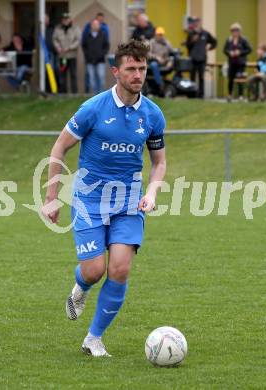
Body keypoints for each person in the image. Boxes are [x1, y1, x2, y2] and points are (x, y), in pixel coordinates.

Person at [42, 40, 166, 357]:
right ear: (116, 72)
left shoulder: (152, 115)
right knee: (95, 270)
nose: (138, 74)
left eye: (142, 68)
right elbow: (59, 148)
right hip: (89, 200)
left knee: (120, 269)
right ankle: (81, 286)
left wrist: (151, 193)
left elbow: (159, 162)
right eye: (131, 69)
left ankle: (93, 338)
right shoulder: (93, 109)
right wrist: (51, 197)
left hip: (128, 202)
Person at [186, 17, 217, 98]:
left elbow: (214, 42)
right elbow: (187, 45)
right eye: (194, 22)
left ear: (200, 23)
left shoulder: (205, 33)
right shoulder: (191, 33)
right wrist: (192, 41)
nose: (196, 23)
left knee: (201, 77)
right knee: (192, 77)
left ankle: (201, 95)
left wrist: (209, 47)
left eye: (197, 21)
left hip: (202, 59)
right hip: (193, 59)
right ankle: (192, 94)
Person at [82, 12, 110, 93]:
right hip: (90, 61)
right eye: (93, 24)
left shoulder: (103, 34)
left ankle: (101, 94)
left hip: (100, 60)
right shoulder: (87, 35)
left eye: (97, 24)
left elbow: (106, 46)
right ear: (91, 25)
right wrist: (87, 55)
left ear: (99, 26)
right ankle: (95, 96)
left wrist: (102, 54)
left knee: (101, 78)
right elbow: (84, 46)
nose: (95, 26)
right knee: (92, 79)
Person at [52, 13, 81, 93]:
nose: (65, 20)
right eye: (64, 19)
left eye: (67, 19)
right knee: (62, 75)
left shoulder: (75, 28)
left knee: (73, 75)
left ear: (70, 20)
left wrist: (70, 47)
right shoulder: (57, 29)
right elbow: (54, 39)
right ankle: (63, 93)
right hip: (62, 57)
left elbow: (78, 40)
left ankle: (75, 93)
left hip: (72, 56)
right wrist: (58, 47)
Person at [223, 23, 252, 102]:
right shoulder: (229, 40)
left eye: (236, 31)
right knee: (230, 79)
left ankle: (241, 95)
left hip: (240, 63)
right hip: (232, 62)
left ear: (239, 31)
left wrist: (240, 52)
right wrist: (230, 53)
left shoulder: (243, 40)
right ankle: (229, 95)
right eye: (233, 31)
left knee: (240, 78)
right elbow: (224, 50)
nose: (235, 32)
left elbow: (249, 49)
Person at [148, 27, 173, 93]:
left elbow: (171, 52)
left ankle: (172, 83)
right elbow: (148, 54)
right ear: (155, 35)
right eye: (159, 34)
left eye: (161, 35)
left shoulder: (166, 42)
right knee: (154, 65)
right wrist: (156, 57)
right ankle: (160, 84)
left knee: (172, 60)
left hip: (165, 61)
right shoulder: (152, 42)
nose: (160, 36)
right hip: (155, 61)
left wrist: (169, 61)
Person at [45, 14, 58, 92]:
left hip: (52, 53)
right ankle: (46, 89)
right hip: (42, 54)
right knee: (45, 73)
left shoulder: (52, 28)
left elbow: (54, 39)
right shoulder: (38, 29)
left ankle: (53, 89)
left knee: (53, 71)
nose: (45, 20)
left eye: (46, 18)